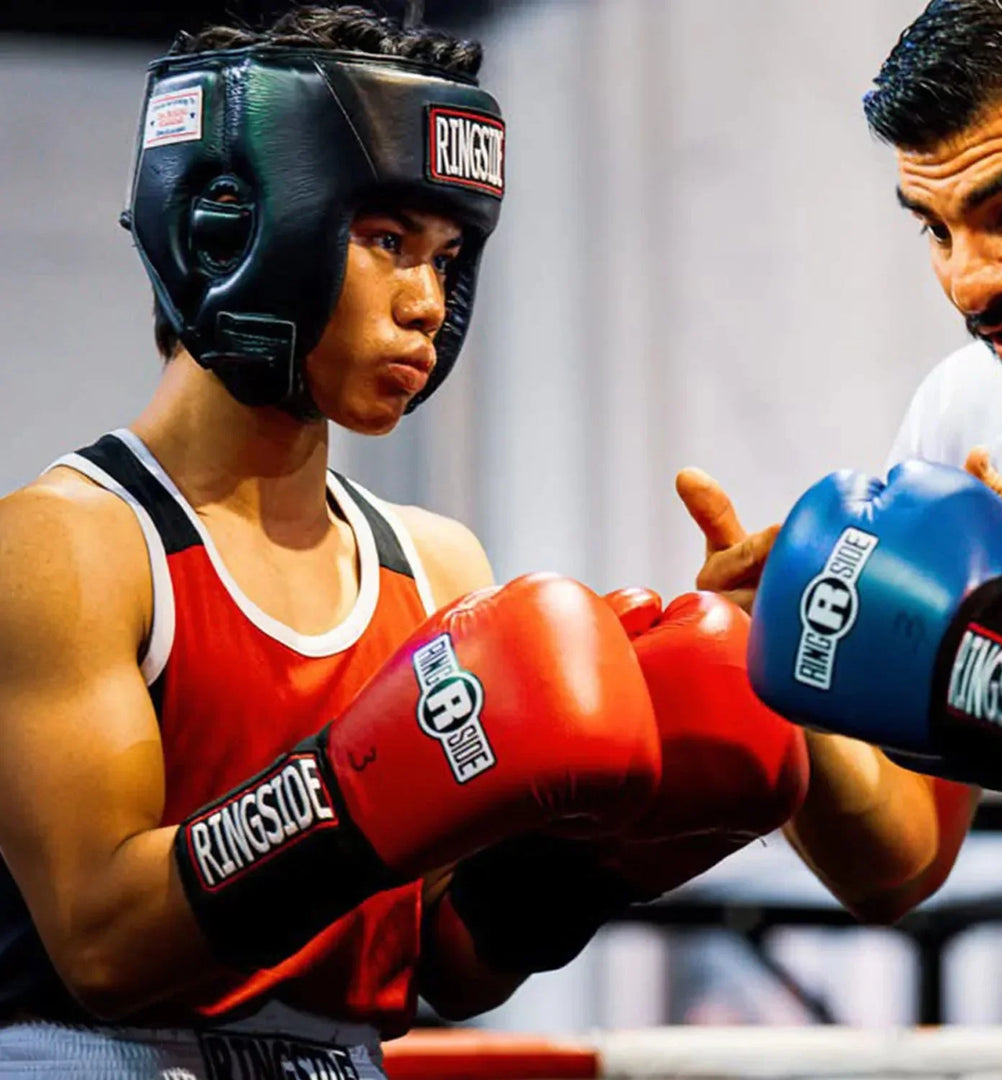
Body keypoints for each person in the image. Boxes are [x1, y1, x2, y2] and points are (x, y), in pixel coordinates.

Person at [0, 6, 808, 1076]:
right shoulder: (67, 549)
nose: (428, 302)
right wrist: (353, 784)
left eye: (449, 254)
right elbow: (105, 947)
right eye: (384, 242)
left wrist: (597, 858)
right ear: (230, 225)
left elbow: (444, 968)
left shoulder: (433, 564)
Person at [679, 0, 1002, 923]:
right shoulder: (975, 412)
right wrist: (790, 650)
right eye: (938, 229)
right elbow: (897, 868)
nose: (969, 283)